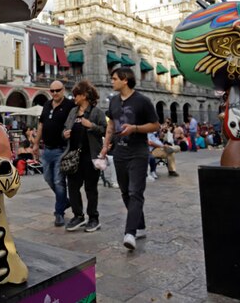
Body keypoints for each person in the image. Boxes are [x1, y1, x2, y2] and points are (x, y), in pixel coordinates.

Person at [103, 67, 159, 251]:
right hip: (119, 152)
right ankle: (140, 225)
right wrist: (105, 147)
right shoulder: (113, 101)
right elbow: (110, 124)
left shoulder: (142, 101)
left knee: (136, 192)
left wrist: (134, 128)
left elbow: (155, 125)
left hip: (138, 151)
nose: (112, 81)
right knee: (126, 192)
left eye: (114, 78)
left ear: (125, 79)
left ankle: (130, 233)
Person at [62, 81, 106, 233]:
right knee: (73, 188)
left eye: (76, 95)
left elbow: (106, 132)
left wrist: (91, 126)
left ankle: (94, 218)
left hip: (90, 156)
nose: (74, 97)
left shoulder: (97, 112)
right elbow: (65, 129)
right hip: (74, 156)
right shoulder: (73, 112)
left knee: (90, 188)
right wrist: (65, 134)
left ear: (85, 95)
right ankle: (78, 216)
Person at [32, 81, 75, 227]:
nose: (55, 93)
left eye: (58, 90)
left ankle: (59, 213)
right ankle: (64, 201)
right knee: (47, 178)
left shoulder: (70, 106)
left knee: (58, 181)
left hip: (61, 150)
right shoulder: (47, 105)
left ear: (63, 90)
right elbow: (41, 125)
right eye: (52, 91)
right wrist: (36, 144)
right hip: (47, 149)